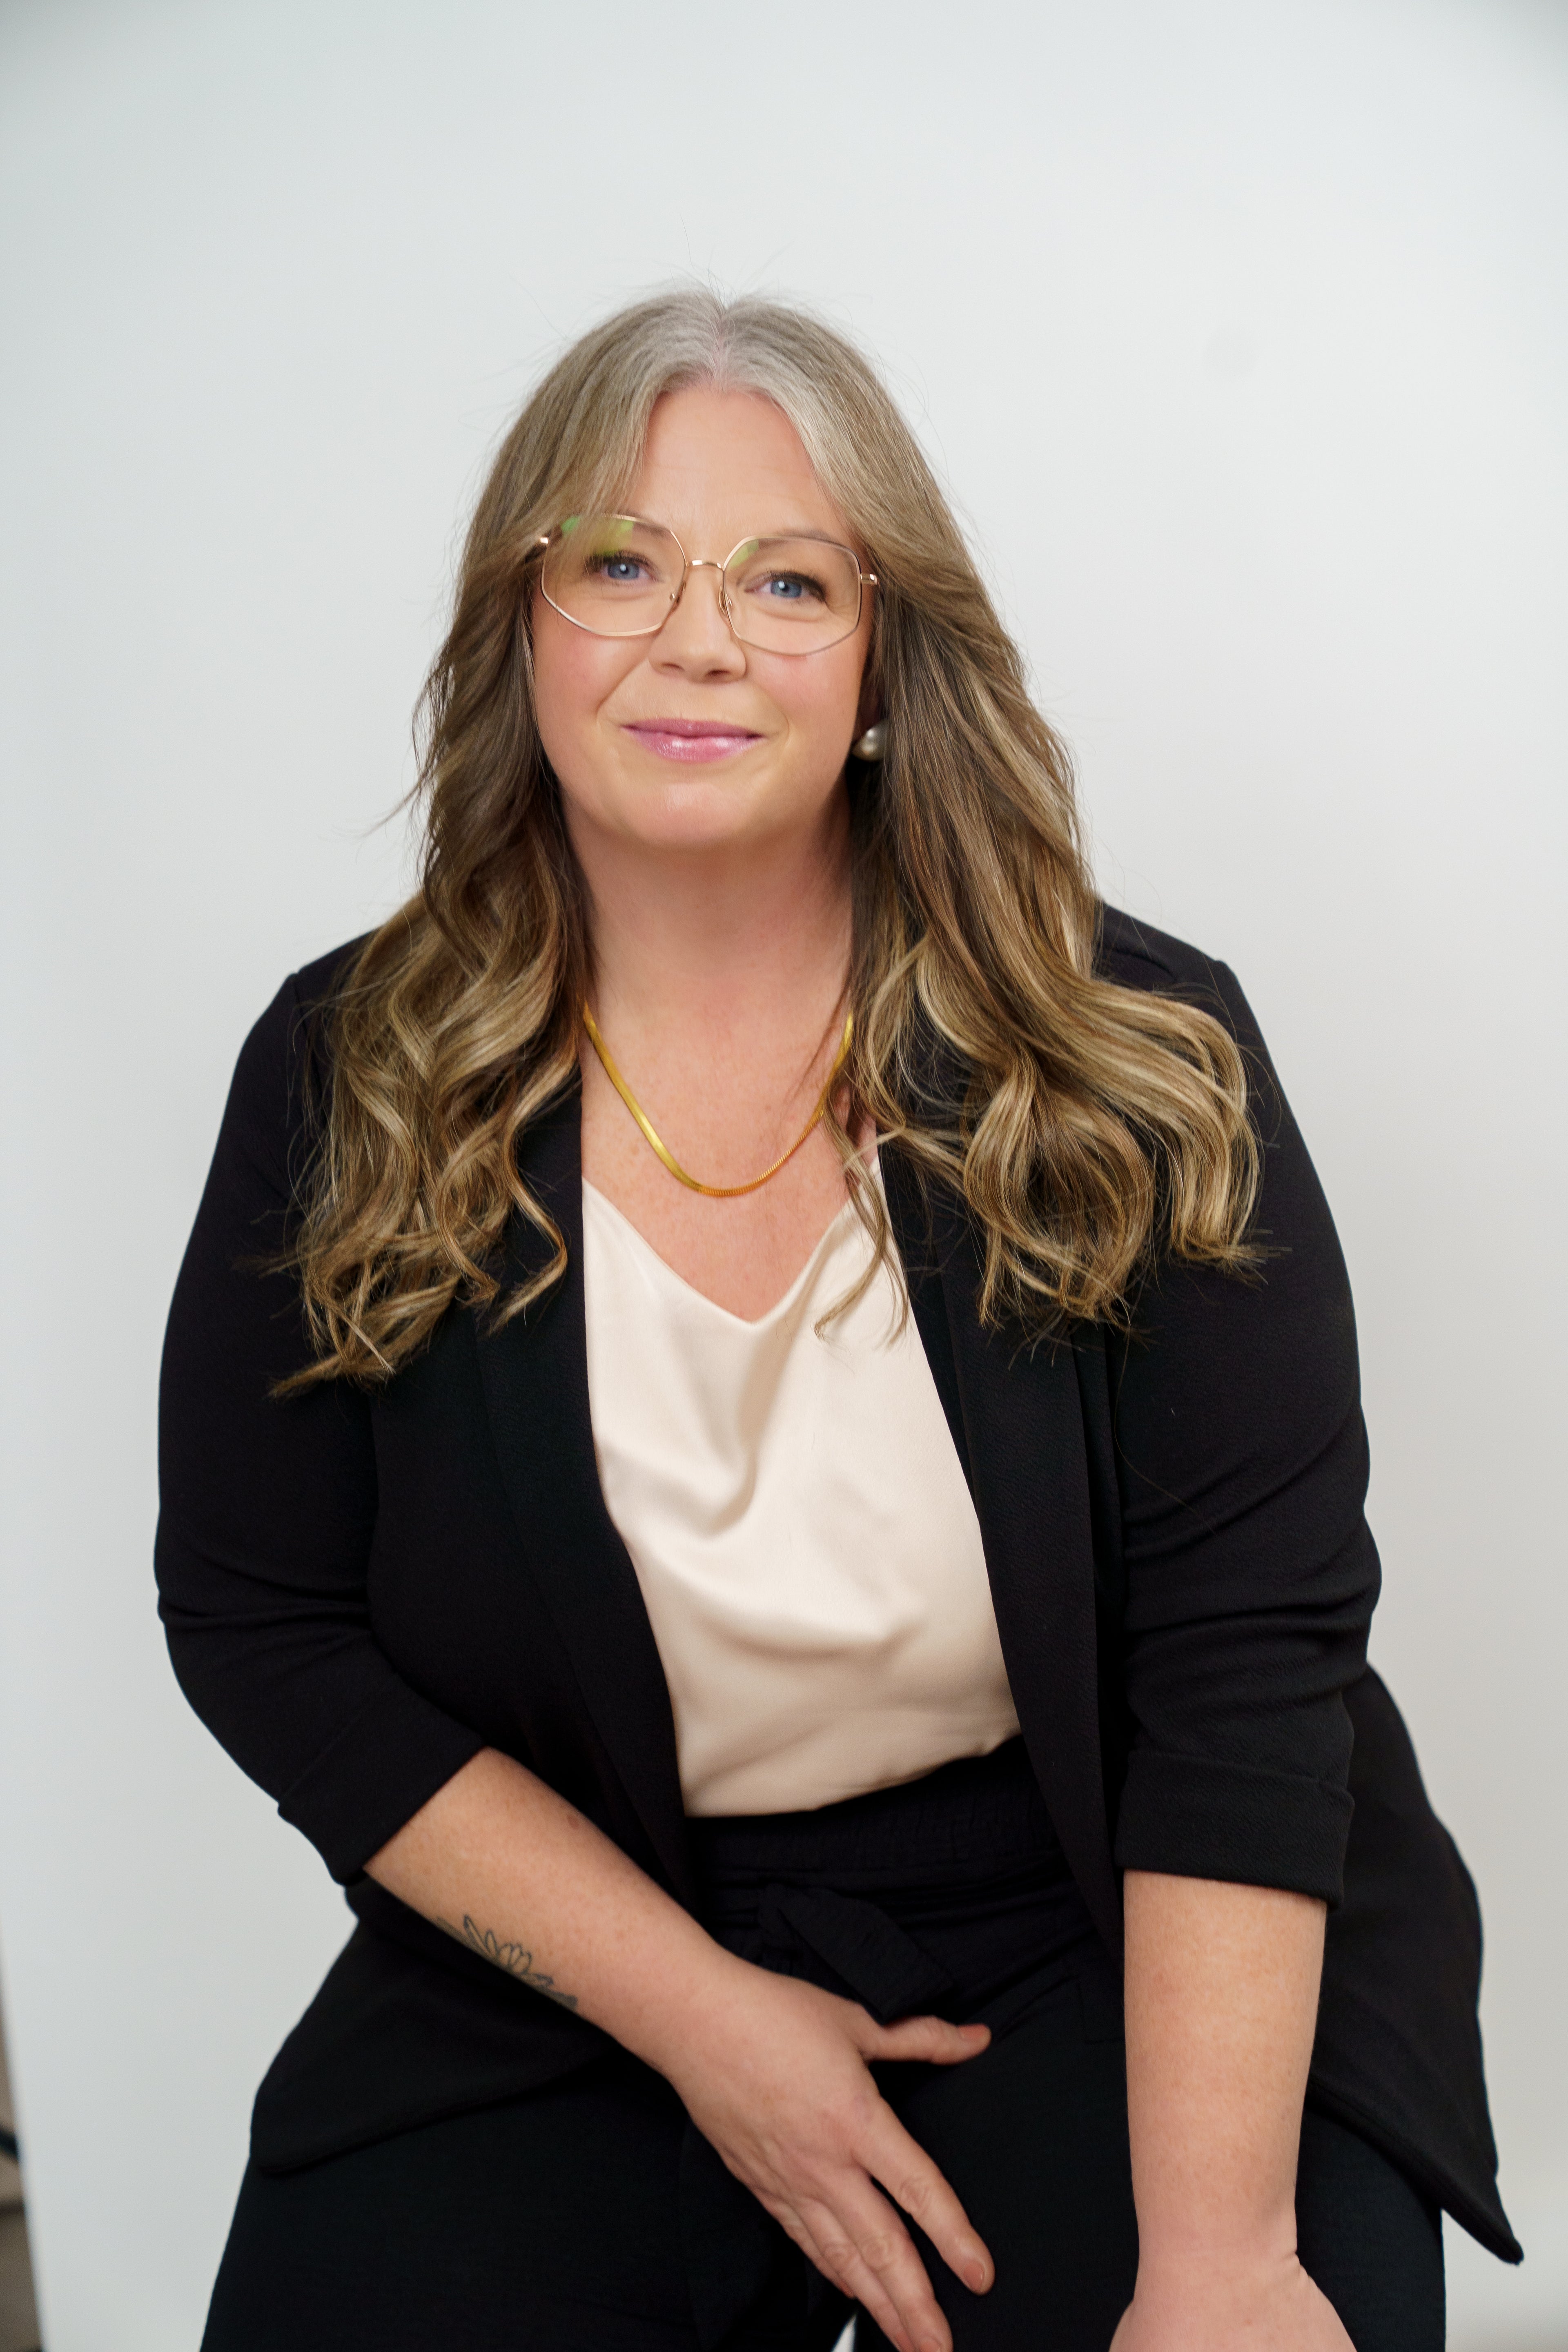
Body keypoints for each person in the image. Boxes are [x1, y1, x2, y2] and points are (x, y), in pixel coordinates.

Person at [156, 289, 1516, 2352]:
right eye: (621, 561)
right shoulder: (344, 1074)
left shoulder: (1136, 1053)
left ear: (882, 661)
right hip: (608, 1920)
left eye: (787, 579)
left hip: (1111, 1899)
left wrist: (1221, 2258)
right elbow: (265, 1623)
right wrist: (706, 2023)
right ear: (522, 630)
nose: (698, 636)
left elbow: (1252, 1666)